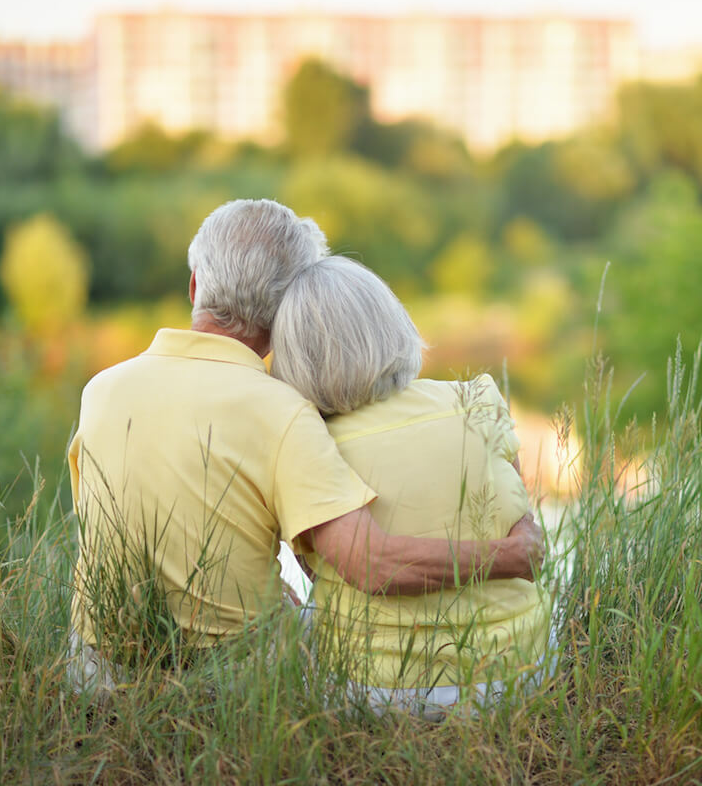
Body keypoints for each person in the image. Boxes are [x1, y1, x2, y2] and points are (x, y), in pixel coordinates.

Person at [66, 199, 544, 691]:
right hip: (231, 681)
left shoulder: (100, 390)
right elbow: (370, 563)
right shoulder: (282, 410)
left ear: (194, 286)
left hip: (95, 668)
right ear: (289, 312)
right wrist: (508, 555)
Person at [270, 255, 553, 720]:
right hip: (523, 671)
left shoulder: (309, 444)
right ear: (392, 323)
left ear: (295, 357)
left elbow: (318, 567)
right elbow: (517, 519)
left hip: (375, 689)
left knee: (280, 628)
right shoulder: (476, 398)